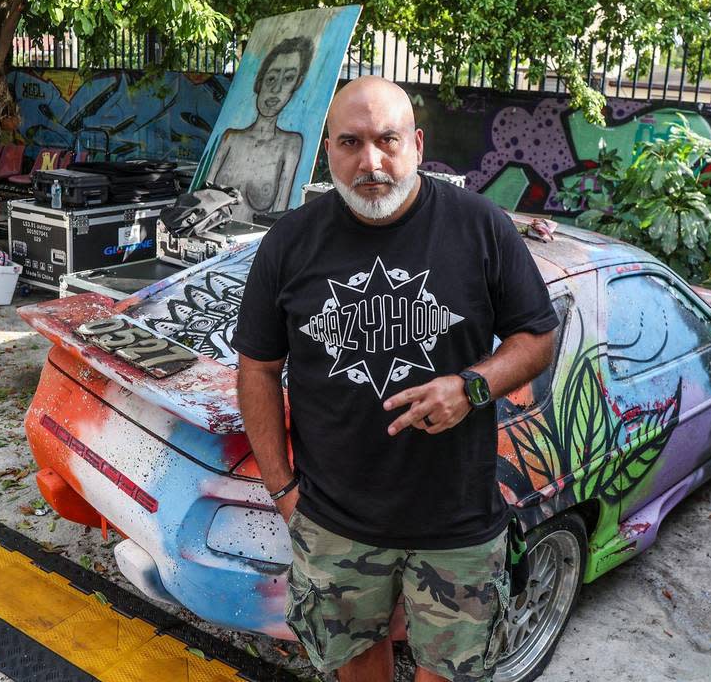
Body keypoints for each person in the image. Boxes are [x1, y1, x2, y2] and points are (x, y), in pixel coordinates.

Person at [234, 76, 558, 682]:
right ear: (327, 148)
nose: (371, 162)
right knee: (356, 668)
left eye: (387, 140)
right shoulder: (289, 243)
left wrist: (472, 386)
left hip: (457, 522)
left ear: (417, 142)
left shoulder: (481, 227)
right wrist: (283, 491)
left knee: (451, 671)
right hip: (333, 521)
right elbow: (257, 368)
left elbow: (537, 337)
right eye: (350, 143)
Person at [201, 36, 313, 222]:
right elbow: (202, 199)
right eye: (271, 78)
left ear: (297, 84)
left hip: (257, 247)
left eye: (288, 78)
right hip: (215, 237)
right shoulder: (231, 138)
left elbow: (279, 215)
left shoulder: (291, 144)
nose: (276, 89)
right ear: (259, 83)